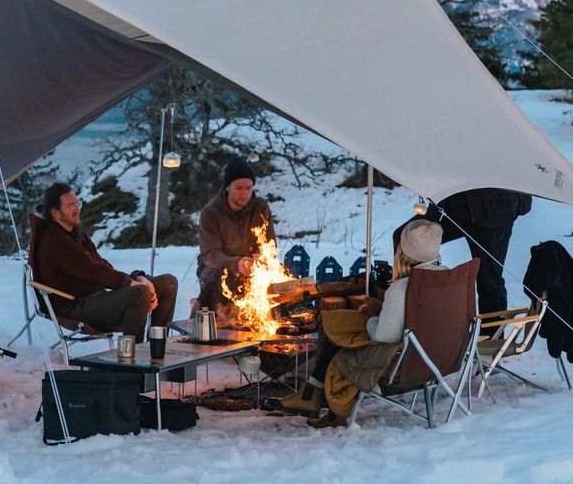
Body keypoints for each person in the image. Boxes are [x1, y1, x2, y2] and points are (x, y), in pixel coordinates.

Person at [272, 219, 447, 428]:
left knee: (343, 339)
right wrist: (381, 311)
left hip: (401, 364)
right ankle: (311, 392)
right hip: (435, 359)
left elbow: (383, 337)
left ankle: (319, 400)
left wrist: (373, 317)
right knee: (339, 320)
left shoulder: (403, 289)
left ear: (404, 252)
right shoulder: (448, 279)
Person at [36, 182, 177, 342]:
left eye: (77, 204)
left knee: (168, 283)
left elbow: (102, 266)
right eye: (71, 206)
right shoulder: (54, 239)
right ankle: (133, 354)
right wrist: (132, 284)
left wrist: (136, 277)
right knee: (140, 293)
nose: (77, 209)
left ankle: (157, 346)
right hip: (74, 306)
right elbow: (90, 269)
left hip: (96, 298)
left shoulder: (77, 235)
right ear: (55, 213)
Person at [394, 188, 531, 315]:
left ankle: (493, 334)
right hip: (453, 204)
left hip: (493, 211)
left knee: (489, 282)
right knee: (404, 238)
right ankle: (407, 311)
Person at [195, 156, 276, 312]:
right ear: (228, 187)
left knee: (277, 276)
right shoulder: (211, 212)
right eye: (238, 188)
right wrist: (236, 264)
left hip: (251, 265)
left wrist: (261, 259)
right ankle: (209, 316)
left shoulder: (260, 208)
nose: (244, 194)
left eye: (248, 188)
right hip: (218, 267)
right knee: (218, 276)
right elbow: (210, 254)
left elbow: (270, 244)